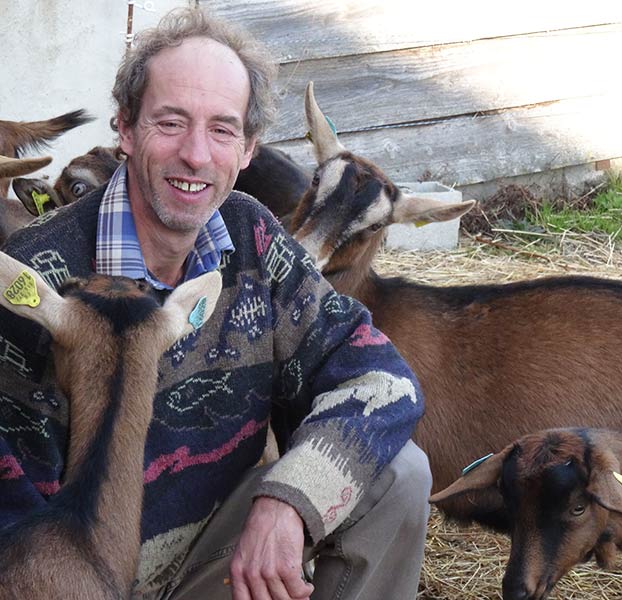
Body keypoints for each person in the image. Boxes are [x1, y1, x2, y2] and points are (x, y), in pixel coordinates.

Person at [0, 8, 431, 600]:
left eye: (223, 129)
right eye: (171, 122)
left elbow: (385, 381)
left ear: (249, 148)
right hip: (71, 579)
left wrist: (290, 498)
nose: (197, 155)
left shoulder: (253, 239)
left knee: (399, 473)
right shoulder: (36, 277)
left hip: (215, 562)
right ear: (124, 129)